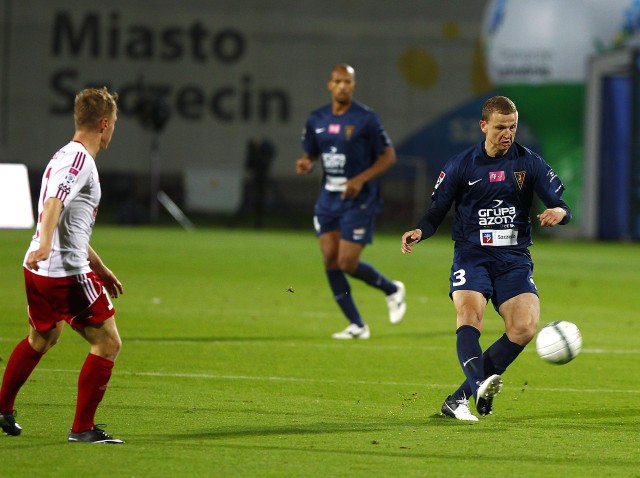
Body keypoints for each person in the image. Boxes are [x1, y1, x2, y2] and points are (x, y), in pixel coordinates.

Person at [401, 96, 571, 420]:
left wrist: (558, 212)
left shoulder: (529, 162)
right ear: (484, 126)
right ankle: (480, 384)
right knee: (469, 316)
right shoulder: (461, 165)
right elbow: (435, 212)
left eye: (513, 127)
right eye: (500, 128)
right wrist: (420, 232)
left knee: (524, 327)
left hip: (514, 258)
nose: (507, 134)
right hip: (472, 255)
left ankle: (459, 399)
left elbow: (563, 205)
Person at [0, 87, 125, 443]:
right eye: (113, 123)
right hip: (63, 273)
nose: (113, 130)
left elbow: (72, 224)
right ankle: (82, 428)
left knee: (43, 335)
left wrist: (98, 266)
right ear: (104, 123)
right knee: (108, 342)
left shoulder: (64, 155)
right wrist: (44, 244)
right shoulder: (80, 161)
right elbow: (55, 201)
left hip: (38, 270)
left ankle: (2, 407)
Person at [296, 63, 406, 339]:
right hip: (328, 197)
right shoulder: (316, 119)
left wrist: (361, 179)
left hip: (360, 198)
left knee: (347, 262)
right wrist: (307, 162)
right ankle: (357, 325)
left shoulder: (366, 118)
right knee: (330, 260)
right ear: (329, 85)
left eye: (348, 81)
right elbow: (310, 152)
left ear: (354, 86)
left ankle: (392, 289)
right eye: (338, 81)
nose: (342, 86)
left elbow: (389, 156)